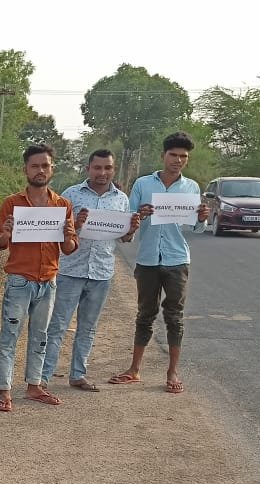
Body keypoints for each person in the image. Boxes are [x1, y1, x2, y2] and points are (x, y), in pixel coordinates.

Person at [108, 131, 209, 393]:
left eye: (183, 156)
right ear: (163, 155)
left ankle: (172, 372)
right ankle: (134, 369)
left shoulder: (191, 187)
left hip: (177, 259)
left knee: (175, 316)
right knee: (145, 314)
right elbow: (128, 222)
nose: (178, 160)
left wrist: (201, 218)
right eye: (173, 155)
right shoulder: (143, 184)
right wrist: (139, 215)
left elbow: (196, 228)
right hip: (148, 259)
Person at [41, 150, 140, 392]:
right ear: (88, 169)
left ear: (113, 170)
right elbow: (55, 232)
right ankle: (42, 378)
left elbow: (124, 238)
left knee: (88, 327)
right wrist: (77, 224)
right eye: (97, 168)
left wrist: (131, 229)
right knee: (58, 325)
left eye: (107, 168)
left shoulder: (121, 200)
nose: (102, 173)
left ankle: (78, 374)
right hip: (70, 269)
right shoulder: (71, 195)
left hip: (102, 272)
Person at [0, 143, 78, 412]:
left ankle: (34, 386)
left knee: (41, 336)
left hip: (48, 280)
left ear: (52, 169)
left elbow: (69, 248)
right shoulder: (12, 203)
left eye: (45, 165)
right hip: (20, 280)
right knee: (10, 337)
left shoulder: (62, 205)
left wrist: (68, 235)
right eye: (35, 166)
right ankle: (4, 391)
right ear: (25, 170)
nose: (40, 170)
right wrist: (6, 233)